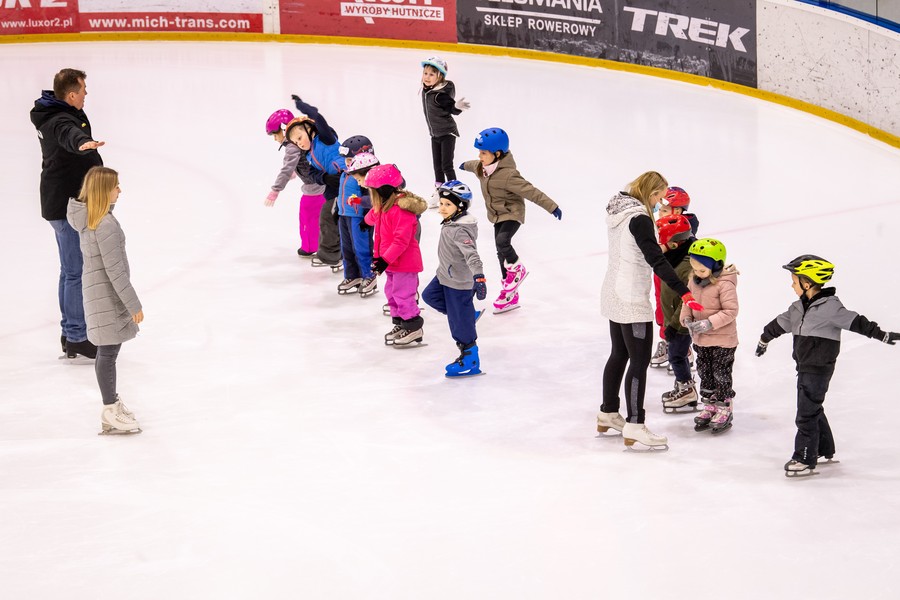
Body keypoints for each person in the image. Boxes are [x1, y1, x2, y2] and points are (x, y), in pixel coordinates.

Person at [756, 255, 899, 477]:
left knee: (805, 413)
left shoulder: (831, 308)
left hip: (819, 367)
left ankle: (804, 457)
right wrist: (764, 340)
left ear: (807, 283)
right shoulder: (797, 308)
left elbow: (857, 322)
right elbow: (779, 324)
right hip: (803, 366)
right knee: (812, 408)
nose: (791, 285)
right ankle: (823, 449)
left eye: (794, 281)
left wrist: (881, 335)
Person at [596, 171, 703, 451]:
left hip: (612, 290)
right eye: (658, 197)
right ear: (650, 192)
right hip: (631, 298)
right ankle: (635, 424)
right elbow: (655, 258)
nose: (659, 204)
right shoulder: (640, 218)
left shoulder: (619, 210)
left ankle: (608, 412)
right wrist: (684, 292)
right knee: (639, 360)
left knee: (619, 353)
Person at [30, 68, 105, 360]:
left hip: (58, 201)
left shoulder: (51, 112)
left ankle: (70, 331)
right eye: (83, 90)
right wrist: (81, 142)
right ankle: (76, 336)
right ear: (71, 94)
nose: (86, 95)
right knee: (76, 272)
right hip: (65, 203)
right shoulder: (60, 119)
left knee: (69, 270)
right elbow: (68, 133)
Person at [66, 166, 143, 435]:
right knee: (108, 353)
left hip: (99, 294)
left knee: (109, 351)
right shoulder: (105, 224)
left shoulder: (92, 219)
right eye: (116, 186)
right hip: (106, 296)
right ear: (103, 190)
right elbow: (115, 271)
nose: (120, 190)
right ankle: (109, 408)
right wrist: (133, 305)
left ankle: (111, 402)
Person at [459, 127, 561, 314]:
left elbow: (531, 192)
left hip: (512, 213)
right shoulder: (481, 168)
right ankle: (510, 292)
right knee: (500, 252)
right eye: (479, 152)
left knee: (502, 242)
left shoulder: (509, 175)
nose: (480, 156)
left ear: (497, 154)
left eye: (483, 153)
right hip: (496, 215)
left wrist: (552, 206)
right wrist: (464, 165)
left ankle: (518, 270)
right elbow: (473, 164)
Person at [422, 181, 487, 377]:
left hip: (458, 282)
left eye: (447, 205)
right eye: (441, 203)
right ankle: (467, 315)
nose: (442, 208)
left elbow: (472, 255)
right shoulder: (451, 222)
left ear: (460, 207)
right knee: (429, 296)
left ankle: (470, 359)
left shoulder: (460, 230)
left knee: (460, 327)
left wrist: (479, 277)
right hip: (444, 275)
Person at [363, 164, 427, 346]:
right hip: (390, 262)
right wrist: (378, 257)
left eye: (372, 191)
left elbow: (401, 242)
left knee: (403, 295)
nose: (371, 195)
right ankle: (400, 324)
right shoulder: (384, 207)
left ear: (382, 190)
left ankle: (413, 327)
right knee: (391, 293)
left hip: (405, 264)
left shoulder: (400, 210)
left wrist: (383, 260)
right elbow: (376, 225)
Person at [679, 238, 740, 433]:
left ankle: (724, 408)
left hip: (723, 340)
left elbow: (731, 310)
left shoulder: (725, 284)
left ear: (715, 266)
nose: (697, 274)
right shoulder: (693, 281)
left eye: (702, 270)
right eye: (694, 269)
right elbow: (687, 303)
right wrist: (686, 319)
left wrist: (708, 323)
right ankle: (710, 406)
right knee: (705, 373)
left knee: (721, 374)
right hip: (701, 339)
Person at [286, 95, 343, 269]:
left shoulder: (325, 138)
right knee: (335, 219)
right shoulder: (310, 154)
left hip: (347, 182)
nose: (299, 143)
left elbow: (318, 118)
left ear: (309, 129)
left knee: (328, 215)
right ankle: (339, 254)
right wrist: (325, 178)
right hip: (333, 188)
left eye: (300, 137)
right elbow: (313, 173)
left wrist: (302, 106)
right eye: (296, 142)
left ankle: (331, 255)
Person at [263, 108, 326, 257]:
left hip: (315, 188)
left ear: (284, 129)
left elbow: (286, 168)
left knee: (308, 217)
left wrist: (275, 190)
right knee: (319, 217)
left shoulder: (292, 146)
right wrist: (295, 172)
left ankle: (310, 247)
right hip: (320, 185)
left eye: (275, 134)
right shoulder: (298, 141)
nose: (275, 139)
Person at [651, 186, 700, 369]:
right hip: (660, 270)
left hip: (676, 272)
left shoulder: (683, 228)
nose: (659, 214)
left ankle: (683, 348)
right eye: (660, 210)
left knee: (677, 305)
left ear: (678, 211)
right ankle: (666, 341)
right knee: (660, 305)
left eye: (664, 210)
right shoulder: (661, 225)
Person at [655, 214, 699, 413]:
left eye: (662, 240)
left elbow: (687, 299)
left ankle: (687, 389)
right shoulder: (674, 257)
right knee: (677, 354)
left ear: (674, 243)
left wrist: (674, 324)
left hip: (681, 322)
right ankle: (684, 385)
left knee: (676, 356)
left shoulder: (686, 266)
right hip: (675, 319)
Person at [421, 57, 470, 208]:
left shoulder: (439, 95)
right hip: (435, 134)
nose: (427, 77)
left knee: (446, 165)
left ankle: (456, 194)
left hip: (447, 133)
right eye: (425, 73)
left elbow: (452, 109)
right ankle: (439, 192)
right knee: (437, 166)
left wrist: (458, 107)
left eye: (431, 74)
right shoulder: (428, 90)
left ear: (439, 76)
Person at [336, 135, 377, 297]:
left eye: (350, 159)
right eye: (346, 160)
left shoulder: (369, 176)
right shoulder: (346, 172)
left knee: (362, 248)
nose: (347, 163)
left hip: (359, 218)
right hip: (344, 215)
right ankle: (352, 275)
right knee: (346, 248)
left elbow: (374, 199)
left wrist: (366, 217)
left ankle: (369, 275)